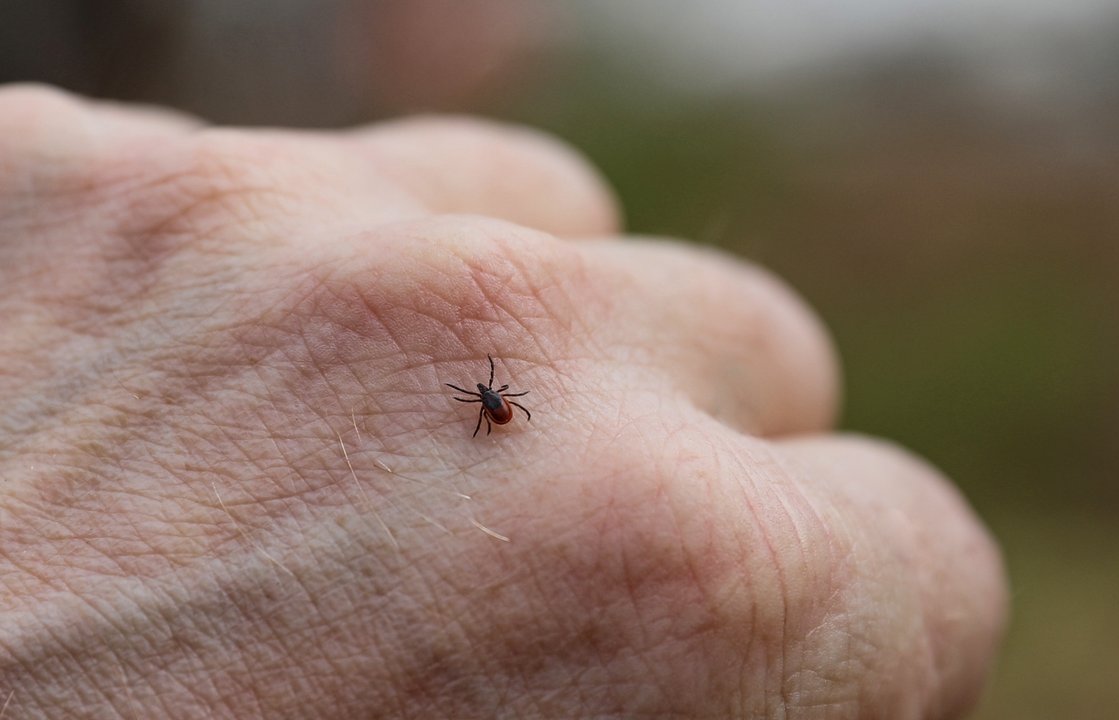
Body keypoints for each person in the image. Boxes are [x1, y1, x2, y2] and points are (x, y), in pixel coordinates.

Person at [0, 84, 1006, 718]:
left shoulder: (493, 399)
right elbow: (487, 394)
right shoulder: (488, 397)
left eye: (491, 396)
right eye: (487, 397)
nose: (487, 399)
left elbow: (495, 396)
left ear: (498, 399)